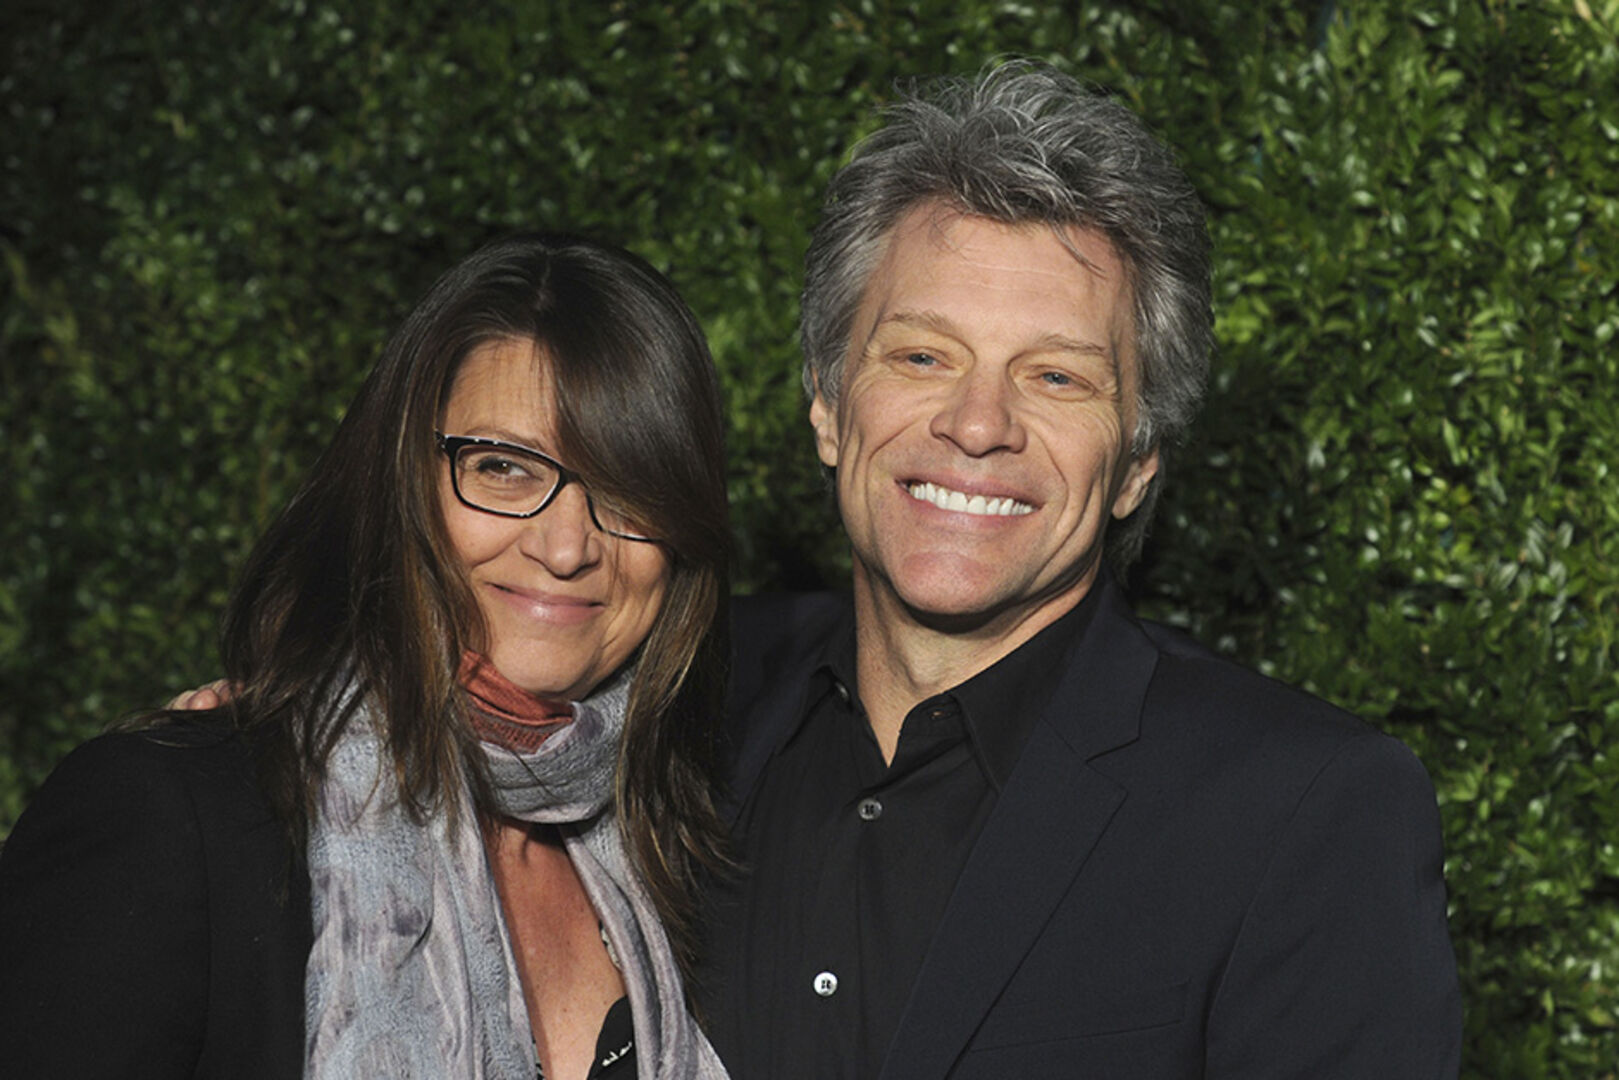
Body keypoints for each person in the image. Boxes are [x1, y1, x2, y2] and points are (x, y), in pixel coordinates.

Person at [697, 63, 1463, 1078]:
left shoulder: (1301, 811)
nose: (977, 424)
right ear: (829, 406)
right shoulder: (676, 700)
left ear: (1136, 464)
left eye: (1055, 377)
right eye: (922, 357)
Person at [0, 234, 733, 1080]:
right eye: (502, 468)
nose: (566, 547)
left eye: (628, 487)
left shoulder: (688, 853)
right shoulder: (173, 817)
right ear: (400, 480)